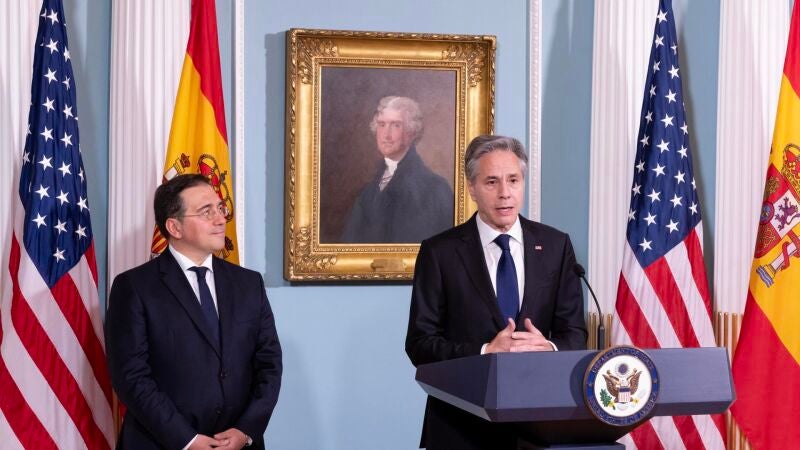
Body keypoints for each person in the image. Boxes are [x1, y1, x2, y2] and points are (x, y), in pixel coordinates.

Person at [405, 135, 587, 450]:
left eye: (513, 180)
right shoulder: (440, 252)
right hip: (460, 428)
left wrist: (548, 347)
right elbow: (420, 344)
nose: (505, 193)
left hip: (540, 425)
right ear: (472, 188)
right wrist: (486, 351)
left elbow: (575, 333)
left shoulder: (556, 246)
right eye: (492, 182)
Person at [105, 174, 282, 450]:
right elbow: (131, 377)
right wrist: (186, 440)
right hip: (162, 443)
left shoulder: (249, 284)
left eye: (220, 208)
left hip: (238, 444)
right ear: (174, 227)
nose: (221, 219)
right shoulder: (135, 287)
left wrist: (245, 430)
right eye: (206, 211)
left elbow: (269, 365)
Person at [340, 96, 453, 243]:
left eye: (396, 125)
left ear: (412, 132)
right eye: (381, 124)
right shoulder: (367, 193)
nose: (386, 135)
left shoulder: (436, 190)